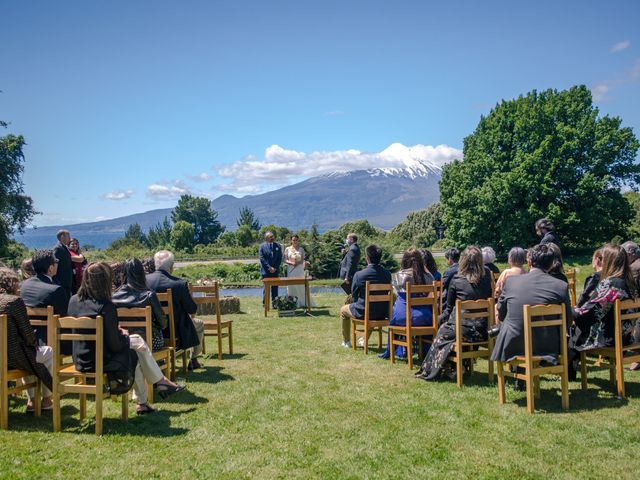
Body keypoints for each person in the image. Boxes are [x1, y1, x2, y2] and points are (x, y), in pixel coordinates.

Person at [68, 262, 184, 415]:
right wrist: (123, 334)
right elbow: (115, 346)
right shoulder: (105, 305)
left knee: (136, 346)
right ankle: (159, 383)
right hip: (102, 361)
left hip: (80, 359)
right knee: (136, 349)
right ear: (105, 281)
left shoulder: (73, 301)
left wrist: (117, 333)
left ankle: (144, 401)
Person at [415, 246, 492, 381]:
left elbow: (448, 310)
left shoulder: (457, 279)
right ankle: (457, 367)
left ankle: (431, 370)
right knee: (451, 331)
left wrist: (437, 320)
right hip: (483, 330)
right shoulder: (487, 277)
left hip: (464, 330)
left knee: (444, 332)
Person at [490, 244, 571, 369]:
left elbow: (501, 313)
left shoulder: (511, 282)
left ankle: (519, 371)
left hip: (514, 343)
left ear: (529, 262)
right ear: (551, 264)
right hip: (549, 346)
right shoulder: (561, 285)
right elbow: (568, 321)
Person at [0, 267, 53, 412]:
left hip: (5, 358)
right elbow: (28, 335)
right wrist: (33, 343)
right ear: (11, 283)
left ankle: (32, 400)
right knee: (46, 352)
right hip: (13, 359)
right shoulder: (14, 302)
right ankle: (44, 399)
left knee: (32, 356)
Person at [570, 244, 637, 356]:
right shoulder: (630, 282)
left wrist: (569, 311)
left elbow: (590, 314)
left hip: (606, 338)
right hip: (625, 337)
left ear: (608, 261)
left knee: (567, 336)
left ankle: (566, 371)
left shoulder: (611, 284)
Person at [146, 250, 204, 370]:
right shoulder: (179, 284)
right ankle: (193, 359)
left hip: (151, 331)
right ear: (172, 266)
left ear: (155, 264)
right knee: (199, 324)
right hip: (176, 331)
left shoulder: (144, 282)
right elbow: (192, 309)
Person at [378, 249, 434, 359]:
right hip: (425, 318)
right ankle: (426, 352)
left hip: (404, 317)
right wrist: (425, 268)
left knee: (393, 321)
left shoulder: (401, 275)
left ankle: (392, 351)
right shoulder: (429, 277)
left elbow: (396, 293)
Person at [339, 245, 391, 348]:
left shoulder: (359, 275)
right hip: (383, 312)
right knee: (372, 308)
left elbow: (354, 295)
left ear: (367, 257)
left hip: (364, 311)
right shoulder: (387, 274)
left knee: (343, 310)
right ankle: (364, 338)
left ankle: (346, 341)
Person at [112, 258, 168, 351]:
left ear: (123, 273)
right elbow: (163, 324)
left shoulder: (114, 297)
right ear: (142, 273)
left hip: (125, 341)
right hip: (150, 342)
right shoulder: (149, 295)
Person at [20, 249, 69, 349]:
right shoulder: (55, 290)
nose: (57, 263)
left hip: (25, 339)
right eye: (56, 261)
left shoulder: (23, 286)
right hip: (50, 341)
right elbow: (66, 317)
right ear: (50, 268)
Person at [284, 234, 314, 308]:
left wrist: (298, 263)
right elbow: (285, 259)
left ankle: (302, 302)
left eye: (296, 240)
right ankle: (292, 302)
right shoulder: (287, 249)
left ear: (298, 240)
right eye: (293, 240)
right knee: (291, 285)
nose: (295, 241)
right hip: (291, 269)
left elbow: (303, 259)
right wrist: (292, 263)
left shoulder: (301, 249)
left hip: (299, 269)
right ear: (291, 240)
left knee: (301, 285)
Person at [52, 229, 83, 299]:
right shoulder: (58, 249)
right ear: (62, 237)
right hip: (62, 282)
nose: (69, 238)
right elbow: (54, 265)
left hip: (67, 283)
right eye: (68, 236)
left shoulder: (64, 248)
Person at [259, 231, 283, 307]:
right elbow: (262, 259)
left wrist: (275, 268)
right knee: (266, 289)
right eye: (270, 237)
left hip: (275, 271)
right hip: (266, 271)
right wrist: (269, 267)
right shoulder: (262, 247)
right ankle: (265, 304)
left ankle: (275, 304)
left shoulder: (278, 246)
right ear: (266, 238)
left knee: (275, 288)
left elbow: (279, 258)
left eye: (273, 236)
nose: (272, 238)